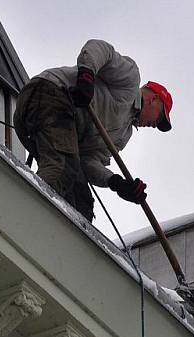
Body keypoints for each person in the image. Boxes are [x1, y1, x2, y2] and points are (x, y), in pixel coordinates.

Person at [13, 39, 172, 221]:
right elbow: (99, 48)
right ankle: (23, 217)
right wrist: (86, 78)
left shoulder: (121, 136)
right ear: (153, 99)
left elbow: (88, 161)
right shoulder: (129, 80)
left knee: (81, 201)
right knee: (61, 167)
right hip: (52, 93)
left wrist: (116, 182)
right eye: (159, 117)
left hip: (51, 124)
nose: (154, 125)